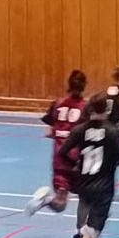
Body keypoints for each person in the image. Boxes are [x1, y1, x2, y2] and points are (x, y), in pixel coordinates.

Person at [53, 92, 119, 238]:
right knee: (92, 235)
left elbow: (63, 152)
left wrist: (77, 163)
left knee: (85, 229)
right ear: (107, 109)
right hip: (103, 188)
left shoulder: (80, 130)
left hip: (83, 183)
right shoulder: (112, 131)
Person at [25, 69, 88, 221]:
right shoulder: (86, 107)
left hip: (59, 158)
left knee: (60, 204)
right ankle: (84, 229)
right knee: (88, 196)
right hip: (77, 160)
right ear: (84, 85)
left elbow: (48, 132)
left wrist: (60, 134)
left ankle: (45, 200)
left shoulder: (57, 104)